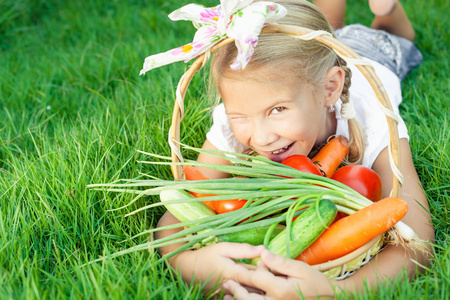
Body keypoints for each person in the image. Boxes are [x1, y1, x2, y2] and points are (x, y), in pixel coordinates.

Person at [147, 0, 435, 298]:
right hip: (320, 56)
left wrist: (337, 291)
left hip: (372, 55)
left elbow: (419, 237)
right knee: (329, 29)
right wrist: (188, 262)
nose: (261, 138)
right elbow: (177, 207)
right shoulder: (244, 107)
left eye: (278, 109)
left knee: (392, 37)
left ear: (330, 89)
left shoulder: (373, 117)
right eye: (239, 116)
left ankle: (386, 12)